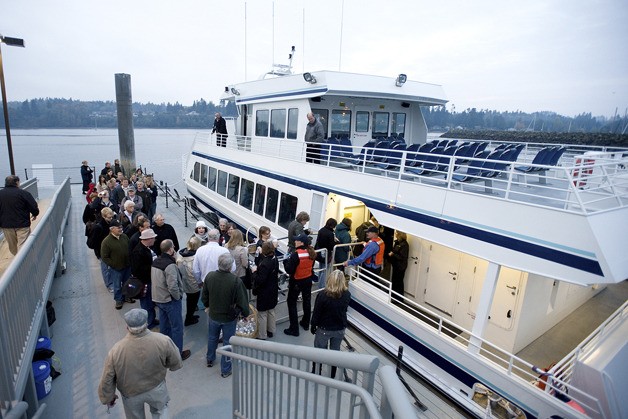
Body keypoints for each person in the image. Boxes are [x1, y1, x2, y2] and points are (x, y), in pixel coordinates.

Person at [98, 309, 182, 418]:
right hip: (156, 388)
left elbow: (107, 377)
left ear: (127, 327)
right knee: (160, 412)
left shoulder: (116, 351)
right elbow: (176, 362)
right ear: (146, 324)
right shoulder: (163, 340)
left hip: (131, 394)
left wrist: (107, 397)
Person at [201, 253, 250, 377]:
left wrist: (208, 305)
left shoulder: (210, 276)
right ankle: (226, 370)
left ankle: (210, 359)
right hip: (229, 318)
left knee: (212, 338)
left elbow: (204, 296)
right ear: (230, 266)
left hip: (213, 315)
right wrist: (245, 314)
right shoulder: (236, 281)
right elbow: (243, 302)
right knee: (228, 343)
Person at [151, 239, 191, 361]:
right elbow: (172, 286)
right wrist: (178, 296)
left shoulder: (155, 261)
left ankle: (165, 350)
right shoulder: (170, 265)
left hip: (158, 298)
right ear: (170, 249)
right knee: (177, 327)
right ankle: (177, 353)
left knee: (164, 326)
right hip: (170, 301)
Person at [310, 270, 351, 378]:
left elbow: (317, 312)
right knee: (335, 353)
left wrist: (313, 325)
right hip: (339, 328)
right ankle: (332, 375)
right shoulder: (347, 294)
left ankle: (316, 371)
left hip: (324, 328)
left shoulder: (323, 295)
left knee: (319, 352)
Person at [283, 233, 317, 337]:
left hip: (296, 281)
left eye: (297, 240)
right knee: (307, 301)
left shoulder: (296, 254)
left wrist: (285, 260)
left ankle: (294, 329)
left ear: (301, 242)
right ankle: (306, 323)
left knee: (291, 303)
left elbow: (289, 270)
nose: (295, 241)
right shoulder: (311, 252)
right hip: (307, 279)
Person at [0, 175, 40, 256]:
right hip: (22, 224)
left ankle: (16, 262)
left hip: (6, 225)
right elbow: (33, 205)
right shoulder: (24, 193)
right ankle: (23, 264)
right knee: (23, 246)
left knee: (13, 247)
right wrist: (35, 213)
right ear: (17, 182)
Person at [130, 228, 159, 329]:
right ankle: (149, 323)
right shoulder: (138, 252)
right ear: (148, 239)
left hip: (148, 280)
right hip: (145, 282)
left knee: (150, 303)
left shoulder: (145, 248)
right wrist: (153, 265)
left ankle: (152, 319)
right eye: (153, 238)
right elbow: (137, 270)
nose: (155, 240)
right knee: (147, 304)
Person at [101, 219, 133, 309]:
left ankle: (127, 297)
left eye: (121, 227)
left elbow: (130, 247)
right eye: (118, 227)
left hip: (127, 266)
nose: (120, 229)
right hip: (116, 269)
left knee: (127, 283)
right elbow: (104, 257)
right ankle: (118, 300)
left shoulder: (124, 236)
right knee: (117, 285)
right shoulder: (106, 242)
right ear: (112, 229)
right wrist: (113, 264)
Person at [251, 241, 279, 340]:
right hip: (273, 288)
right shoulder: (275, 259)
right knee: (271, 310)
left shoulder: (265, 264)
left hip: (264, 291)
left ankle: (262, 335)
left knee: (262, 313)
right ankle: (271, 330)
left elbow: (260, 280)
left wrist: (254, 272)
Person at [87, 207, 116, 292]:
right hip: (102, 251)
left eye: (111, 217)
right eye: (109, 217)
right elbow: (94, 242)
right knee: (106, 269)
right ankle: (109, 285)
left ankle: (111, 282)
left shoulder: (109, 224)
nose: (111, 219)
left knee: (110, 268)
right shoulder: (98, 227)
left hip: (110, 250)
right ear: (104, 216)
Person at [178, 236, 202, 327]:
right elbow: (196, 272)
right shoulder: (195, 258)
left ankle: (190, 315)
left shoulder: (181, 254)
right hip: (194, 284)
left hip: (184, 282)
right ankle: (189, 319)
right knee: (193, 302)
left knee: (190, 300)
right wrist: (200, 282)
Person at [314, 218, 338, 286]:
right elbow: (331, 246)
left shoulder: (321, 230)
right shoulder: (330, 234)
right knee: (325, 270)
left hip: (319, 253)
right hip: (326, 254)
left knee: (321, 269)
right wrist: (336, 242)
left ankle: (319, 283)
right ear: (332, 225)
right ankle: (322, 285)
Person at [388, 231, 409, 301]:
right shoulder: (398, 243)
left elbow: (402, 257)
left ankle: (399, 298)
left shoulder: (405, 245)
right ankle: (393, 295)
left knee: (399, 282)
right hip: (396, 265)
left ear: (400, 235)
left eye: (397, 233)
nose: (395, 234)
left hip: (400, 266)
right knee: (394, 280)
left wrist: (393, 254)